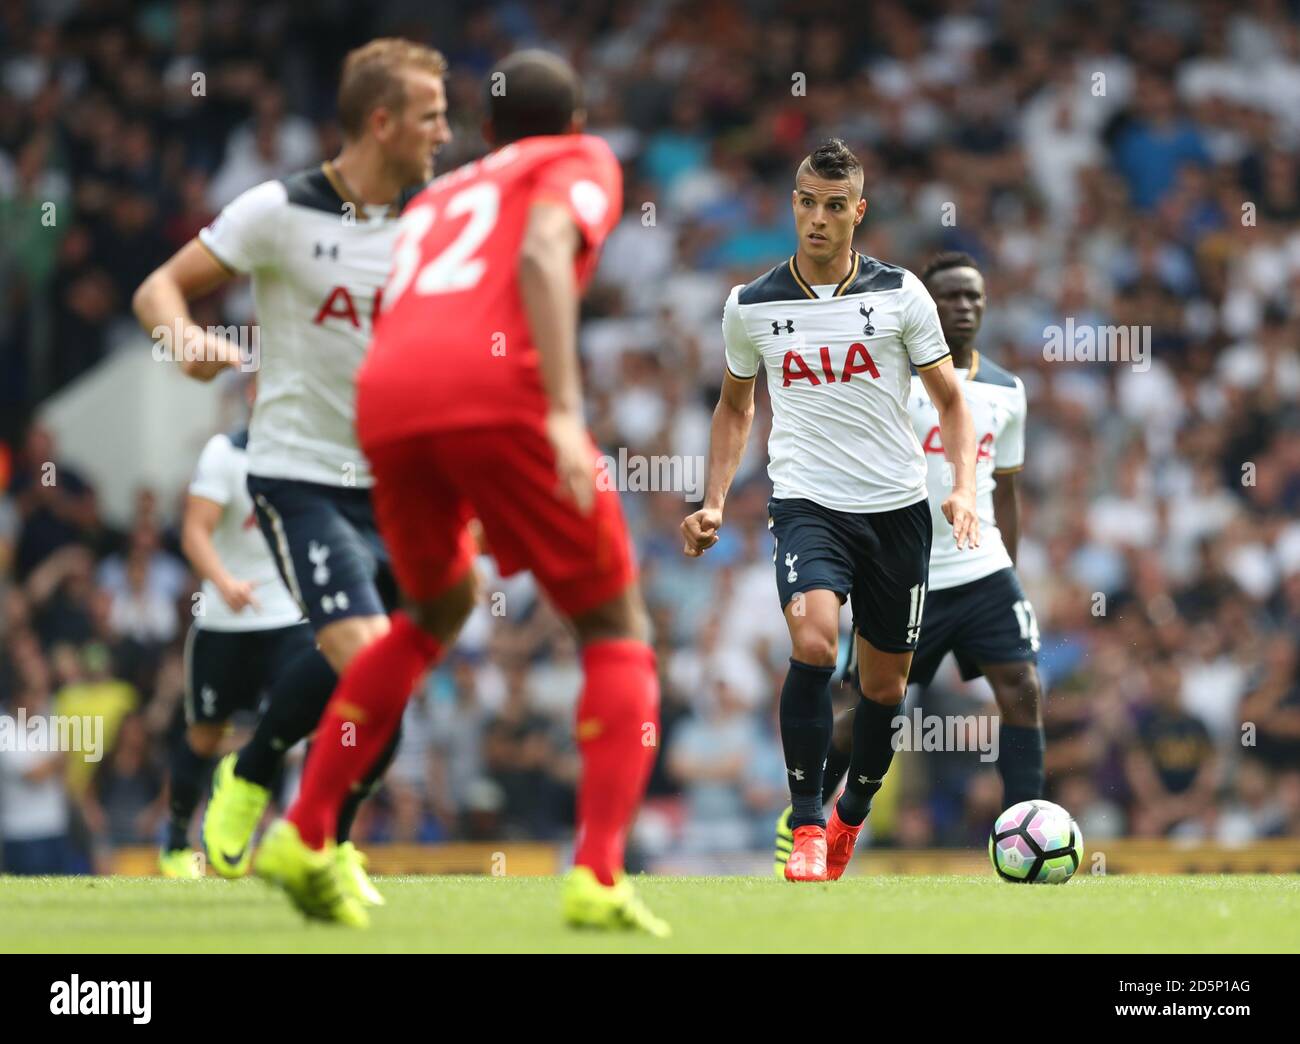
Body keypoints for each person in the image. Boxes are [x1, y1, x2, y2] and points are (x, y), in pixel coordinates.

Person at [254, 49, 668, 936]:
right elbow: (545, 250)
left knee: (431, 612)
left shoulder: (439, 194)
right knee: (614, 629)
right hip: (499, 392)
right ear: (578, 120)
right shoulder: (578, 159)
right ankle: (597, 873)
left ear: (483, 132)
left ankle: (304, 830)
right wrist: (561, 410)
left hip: (390, 401)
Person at [132, 39, 452, 905]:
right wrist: (184, 339)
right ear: (381, 121)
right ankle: (276, 797)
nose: (445, 131)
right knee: (368, 656)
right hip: (300, 474)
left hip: (399, 483)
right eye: (430, 115)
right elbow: (158, 289)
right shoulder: (278, 210)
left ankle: (310, 820)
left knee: (394, 673)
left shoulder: (437, 218)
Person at [681, 140, 979, 883]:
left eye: (834, 205)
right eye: (806, 202)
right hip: (809, 504)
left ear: (859, 212)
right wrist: (713, 500)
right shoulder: (750, 305)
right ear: (794, 204)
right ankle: (807, 820)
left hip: (898, 511)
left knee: (882, 691)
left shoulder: (901, 295)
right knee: (813, 644)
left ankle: (851, 814)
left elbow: (950, 400)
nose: (817, 219)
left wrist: (965, 486)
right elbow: (734, 406)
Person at [772, 252, 1045, 878]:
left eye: (974, 297)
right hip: (905, 567)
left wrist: (1015, 569)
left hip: (983, 570)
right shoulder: (892, 378)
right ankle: (809, 814)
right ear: (928, 305)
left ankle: (1023, 836)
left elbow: (1006, 489)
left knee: (1024, 689)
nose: (965, 307)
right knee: (871, 709)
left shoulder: (1008, 390)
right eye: (951, 297)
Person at [158, 411, 315, 879]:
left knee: (298, 723)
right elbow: (193, 532)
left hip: (288, 619)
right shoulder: (224, 455)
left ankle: (296, 838)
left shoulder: (309, 454)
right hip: (225, 623)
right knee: (206, 734)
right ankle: (175, 845)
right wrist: (224, 582)